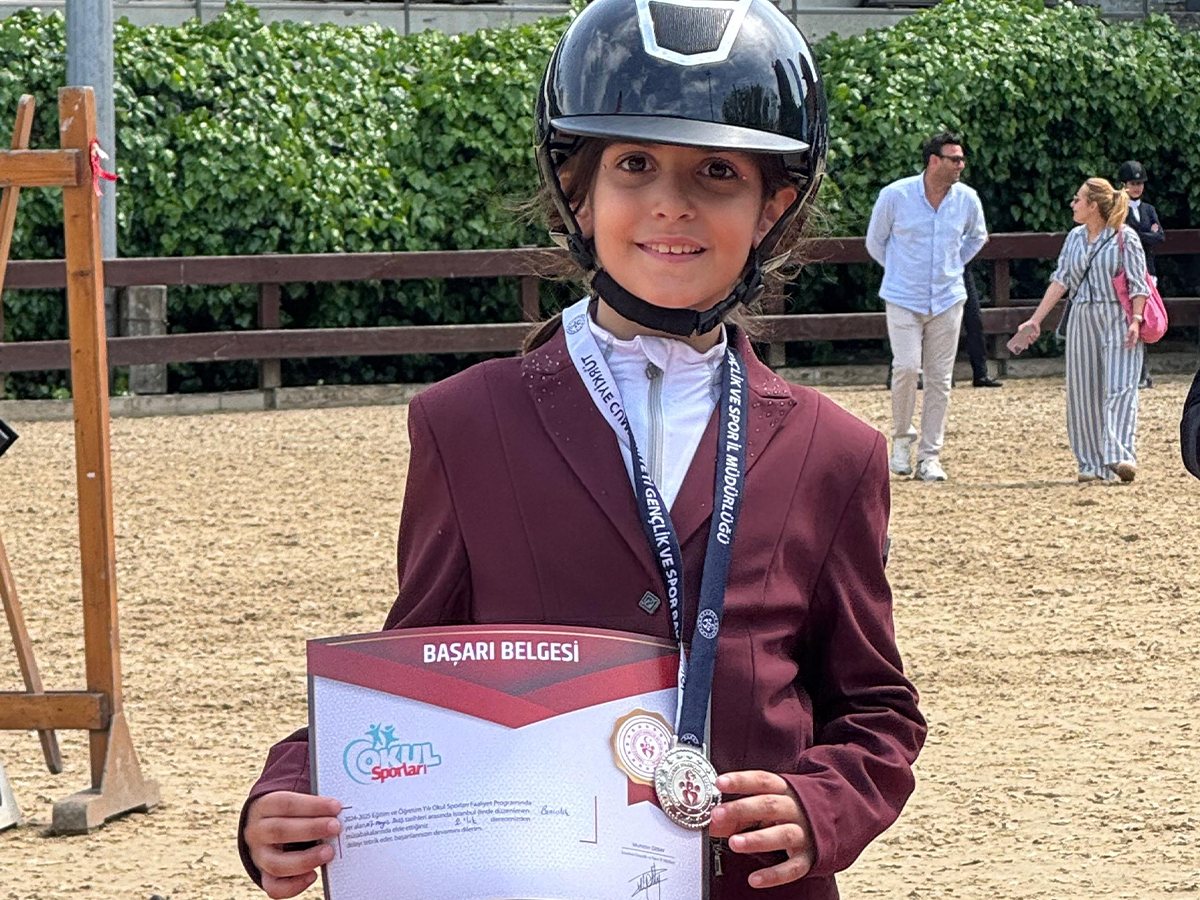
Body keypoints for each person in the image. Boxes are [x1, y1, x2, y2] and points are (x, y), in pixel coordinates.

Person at [238, 0, 926, 897]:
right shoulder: (466, 423)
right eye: (634, 165)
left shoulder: (836, 451)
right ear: (579, 191)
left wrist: (822, 804)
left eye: (718, 171)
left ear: (773, 207)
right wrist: (288, 791)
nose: (671, 202)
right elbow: (412, 670)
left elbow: (876, 708)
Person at [866, 132, 989, 482]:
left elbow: (977, 237)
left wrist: (953, 266)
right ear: (934, 161)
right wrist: (900, 271)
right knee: (906, 367)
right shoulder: (896, 195)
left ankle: (930, 456)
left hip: (948, 297)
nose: (961, 165)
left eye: (962, 158)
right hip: (903, 296)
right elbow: (875, 242)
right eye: (954, 159)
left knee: (940, 379)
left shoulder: (967, 199)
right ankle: (901, 439)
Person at [1016, 179, 1149, 483]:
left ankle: (1120, 454)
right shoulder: (1074, 238)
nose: (1073, 204)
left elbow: (1138, 283)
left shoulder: (1124, 237)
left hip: (1117, 315)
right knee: (1083, 391)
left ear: (1093, 205)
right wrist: (1035, 320)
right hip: (1082, 315)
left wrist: (1136, 319)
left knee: (1120, 386)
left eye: (1078, 200)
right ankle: (1091, 464)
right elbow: (1061, 280)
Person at [1117, 160, 1165, 389]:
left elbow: (1160, 237)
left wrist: (1139, 235)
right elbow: (1128, 236)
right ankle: (1134, 371)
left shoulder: (1148, 210)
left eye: (1139, 184)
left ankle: (1143, 372)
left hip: (1148, 271)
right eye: (1132, 183)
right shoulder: (1119, 210)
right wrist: (1147, 234)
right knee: (1129, 320)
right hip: (1127, 271)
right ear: (1124, 184)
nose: (1137, 188)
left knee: (1145, 321)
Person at [963, 261, 1003, 387]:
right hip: (941, 271)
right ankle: (944, 376)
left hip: (962, 268)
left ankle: (980, 373)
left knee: (974, 320)